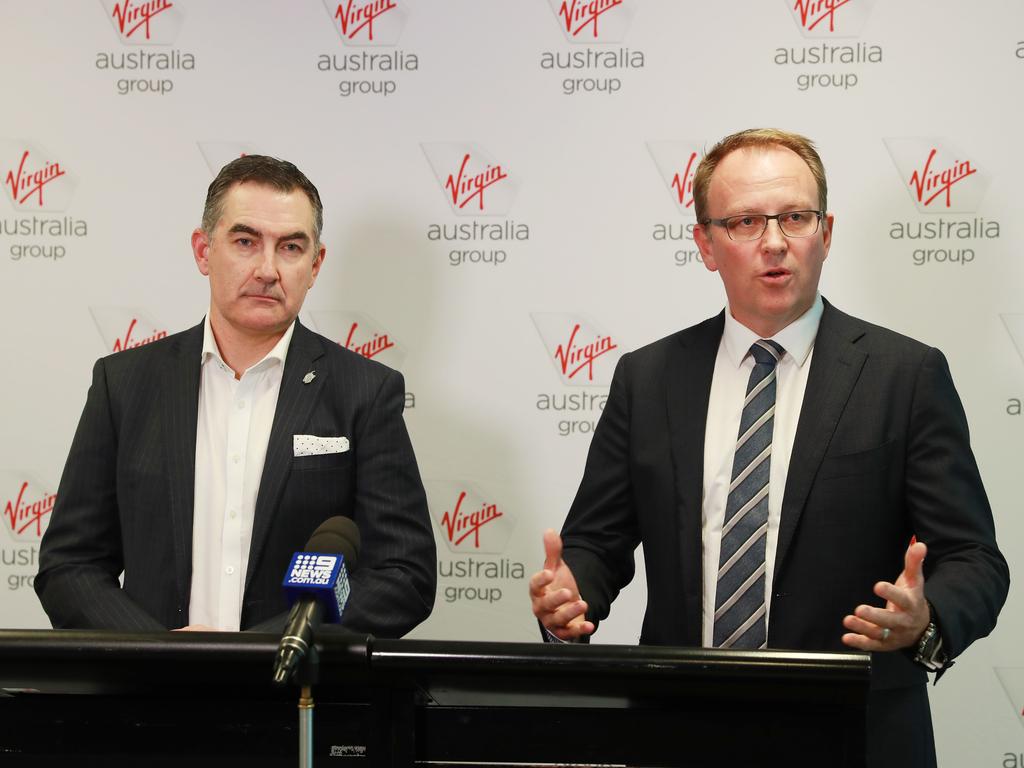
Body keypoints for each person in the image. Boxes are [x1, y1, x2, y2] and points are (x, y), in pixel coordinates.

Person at [529, 129, 1008, 766]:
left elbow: (975, 558)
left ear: (827, 232)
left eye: (795, 217)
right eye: (746, 221)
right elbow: (596, 542)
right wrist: (571, 596)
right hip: (679, 732)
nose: (775, 242)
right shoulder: (648, 379)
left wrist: (927, 622)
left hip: (854, 732)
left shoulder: (905, 374)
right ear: (705, 244)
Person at [36, 155, 436, 636]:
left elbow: (403, 576)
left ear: (315, 264)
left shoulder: (366, 392)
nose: (268, 269)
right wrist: (159, 655)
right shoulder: (123, 384)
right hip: (148, 696)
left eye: (290, 247)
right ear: (203, 251)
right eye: (246, 242)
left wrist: (263, 650)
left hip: (299, 692)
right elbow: (69, 566)